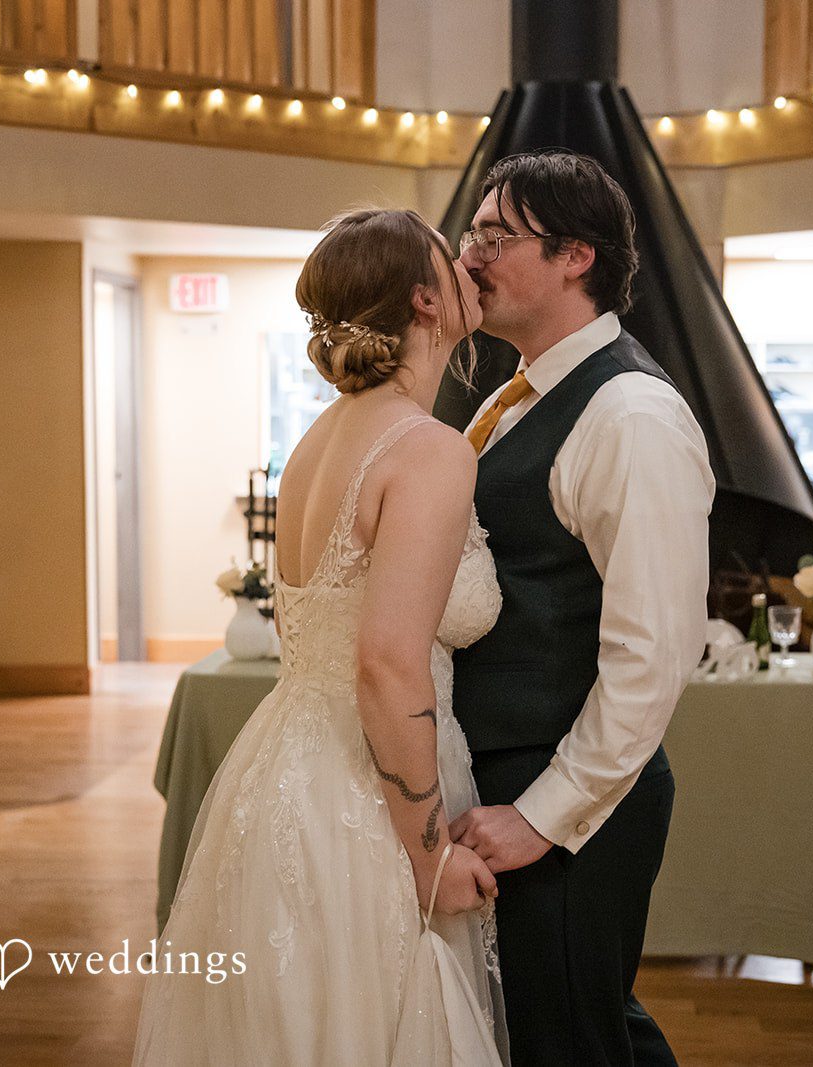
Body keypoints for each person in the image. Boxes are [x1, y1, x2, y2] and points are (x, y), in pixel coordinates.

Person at [133, 208, 508, 1065]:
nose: (471, 267)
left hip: (284, 771)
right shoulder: (426, 449)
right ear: (424, 299)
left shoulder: (315, 442)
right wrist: (429, 857)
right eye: (455, 260)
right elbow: (383, 662)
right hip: (365, 794)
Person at [449, 151, 715, 1065]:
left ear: (576, 256)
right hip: (503, 773)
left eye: (495, 235)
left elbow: (653, 650)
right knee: (567, 1027)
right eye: (472, 231)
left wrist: (541, 811)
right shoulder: (515, 397)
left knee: (571, 1038)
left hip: (566, 794)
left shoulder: (630, 415)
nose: (469, 254)